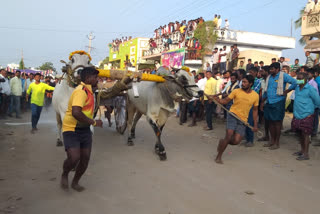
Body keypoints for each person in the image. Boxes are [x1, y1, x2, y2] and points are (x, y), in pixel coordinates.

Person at [60, 67, 103, 192]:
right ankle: (64, 174)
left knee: (85, 159)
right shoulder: (81, 91)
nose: (97, 80)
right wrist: (94, 122)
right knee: (74, 158)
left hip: (84, 129)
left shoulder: (89, 91)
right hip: (71, 128)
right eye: (95, 77)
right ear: (88, 78)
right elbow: (76, 113)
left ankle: (75, 182)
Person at [211, 75, 259, 164]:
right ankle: (219, 156)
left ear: (250, 84)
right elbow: (225, 101)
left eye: (245, 82)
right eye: (242, 82)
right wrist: (217, 99)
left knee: (236, 141)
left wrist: (255, 125)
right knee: (229, 135)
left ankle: (222, 142)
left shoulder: (255, 96)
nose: (243, 84)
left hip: (243, 120)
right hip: (232, 115)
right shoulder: (236, 91)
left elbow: (255, 111)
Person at [260, 62, 297, 150]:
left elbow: (295, 82)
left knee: (277, 123)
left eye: (272, 69)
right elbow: (266, 90)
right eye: (270, 69)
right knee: (270, 122)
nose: (271, 70)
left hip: (278, 102)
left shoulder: (283, 75)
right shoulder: (269, 77)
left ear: (277, 69)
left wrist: (287, 91)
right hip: (269, 102)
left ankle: (277, 142)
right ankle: (272, 141)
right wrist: (262, 102)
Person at [291, 72, 320, 160]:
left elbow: (317, 102)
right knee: (300, 133)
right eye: (298, 79)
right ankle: (302, 150)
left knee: (306, 134)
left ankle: (306, 154)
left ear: (305, 80)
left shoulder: (311, 89)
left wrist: (310, 111)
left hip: (307, 115)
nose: (299, 81)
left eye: (300, 79)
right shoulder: (297, 88)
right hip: (297, 114)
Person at [245, 67, 261, 147]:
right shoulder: (246, 80)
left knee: (250, 121)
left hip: (252, 103)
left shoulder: (258, 81)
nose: (250, 73)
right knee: (244, 120)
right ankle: (246, 137)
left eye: (251, 72)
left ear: (255, 73)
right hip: (244, 103)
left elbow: (254, 91)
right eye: (249, 72)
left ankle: (250, 140)